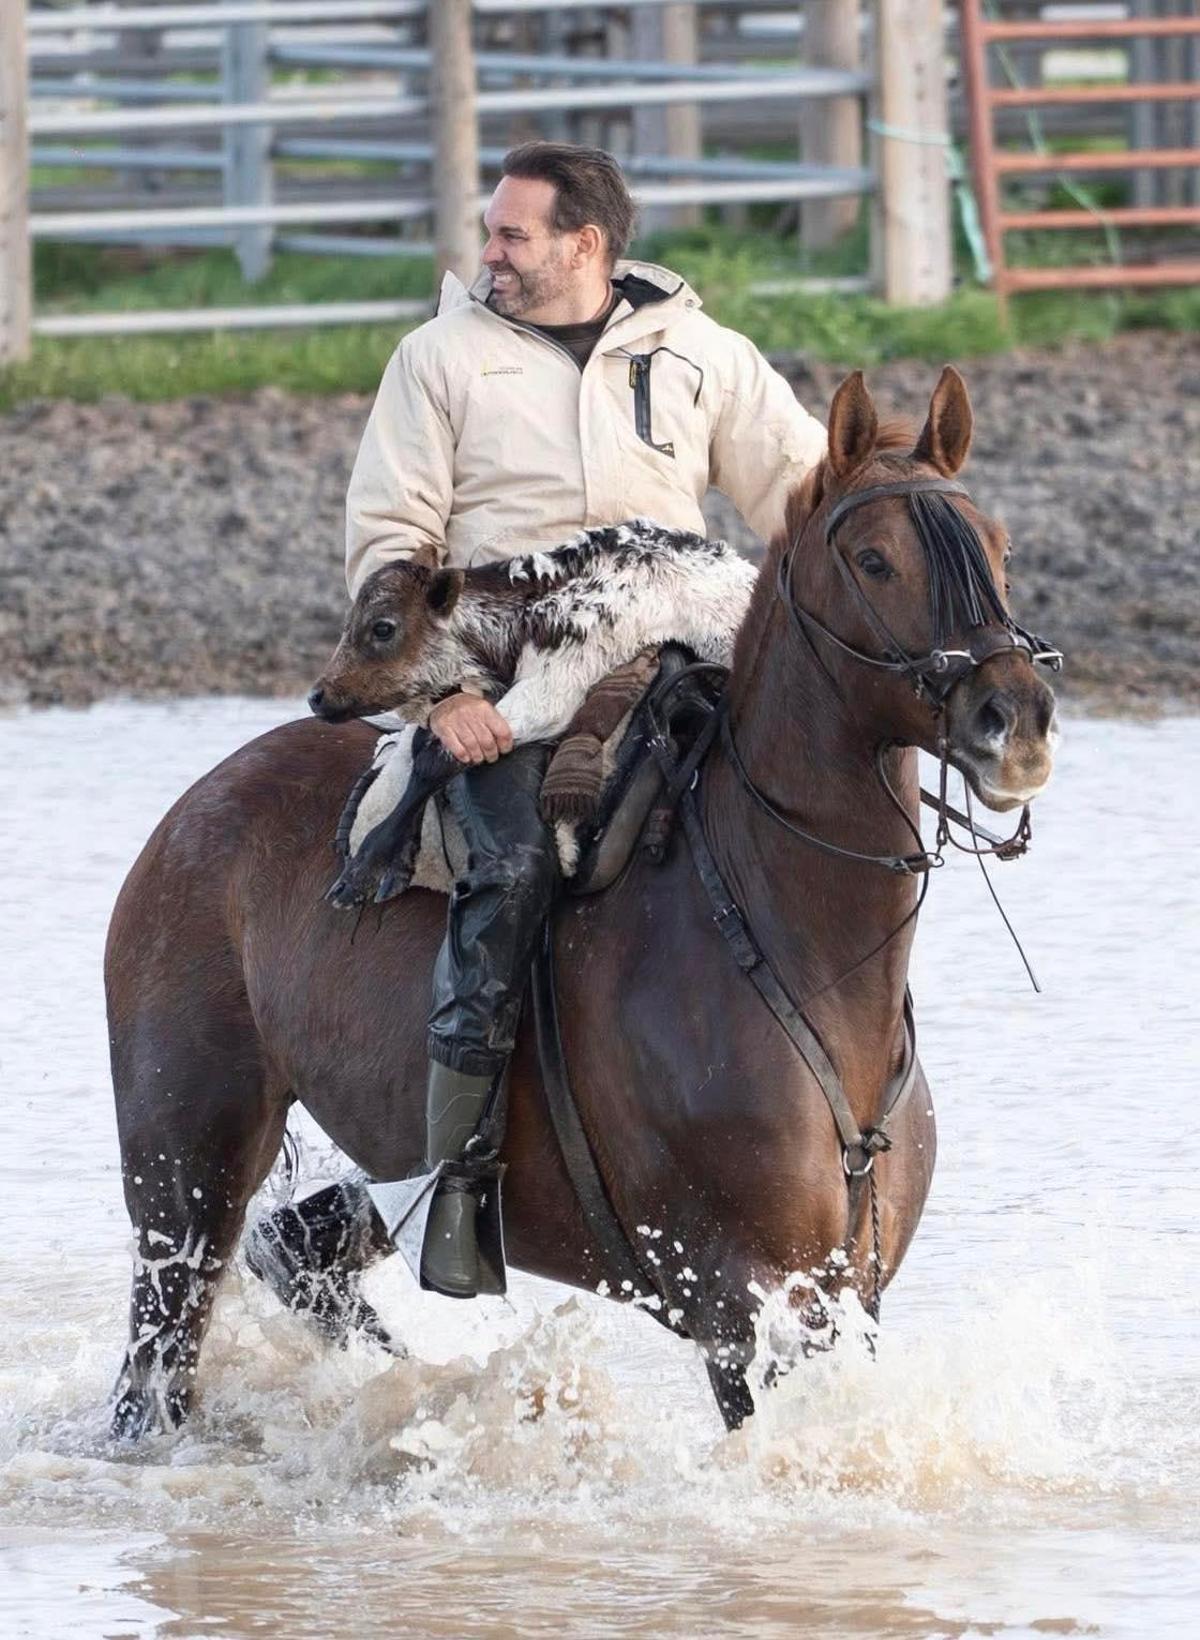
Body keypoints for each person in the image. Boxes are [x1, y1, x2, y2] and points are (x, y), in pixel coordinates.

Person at [253, 142, 827, 1308]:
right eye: (492, 231)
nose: (491, 254)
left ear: (587, 246)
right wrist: (445, 697)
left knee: (809, 835)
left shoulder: (703, 353)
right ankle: (448, 1187)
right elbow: (390, 546)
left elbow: (809, 500)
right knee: (510, 868)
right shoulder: (438, 360)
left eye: (514, 235)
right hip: (499, 682)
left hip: (673, 653)